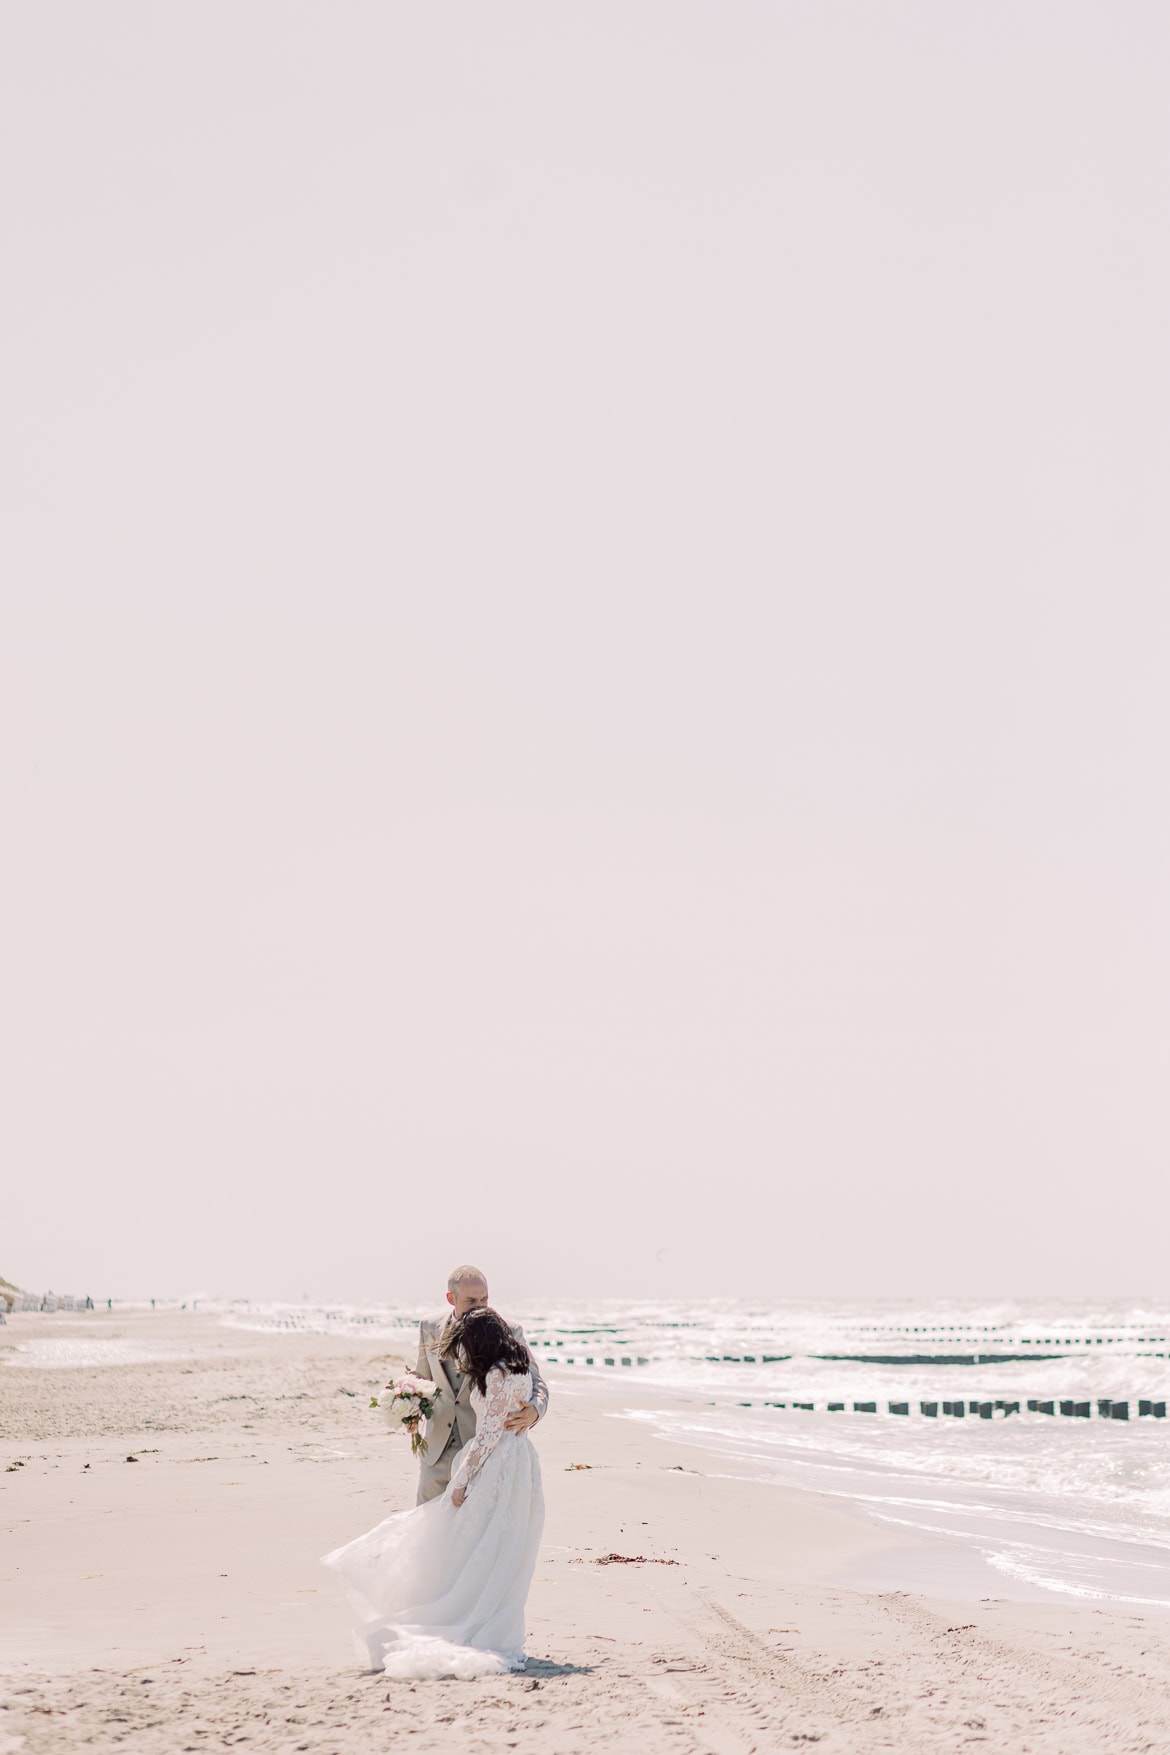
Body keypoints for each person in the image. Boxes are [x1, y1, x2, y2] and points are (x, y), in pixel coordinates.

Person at [323, 1305, 545, 1678]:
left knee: (466, 1544)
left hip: (493, 1466)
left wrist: (461, 1483)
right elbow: (426, 1380)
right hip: (518, 1464)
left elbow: (488, 1437)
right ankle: (490, 1621)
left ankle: (453, 1615)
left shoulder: (494, 1374)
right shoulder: (515, 1364)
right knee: (499, 1551)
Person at [412, 1264, 548, 1503]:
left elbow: (538, 1383)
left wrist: (534, 1411)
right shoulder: (429, 1326)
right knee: (424, 1526)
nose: (480, 1307)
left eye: (484, 1299)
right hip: (436, 1449)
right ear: (451, 1298)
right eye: (471, 1300)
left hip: (481, 1448)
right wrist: (410, 1407)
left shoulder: (507, 1331)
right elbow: (422, 1378)